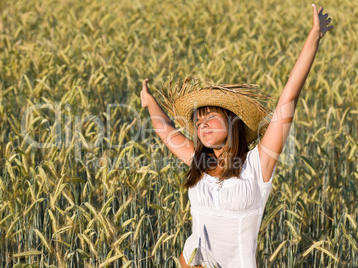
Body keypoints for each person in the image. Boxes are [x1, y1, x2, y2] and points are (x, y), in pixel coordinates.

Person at [140, 4, 333, 268]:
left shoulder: (259, 164)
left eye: (210, 118)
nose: (202, 125)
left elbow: (288, 98)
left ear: (232, 123)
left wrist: (314, 36)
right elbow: (166, 131)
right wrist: (149, 100)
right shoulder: (199, 163)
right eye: (197, 122)